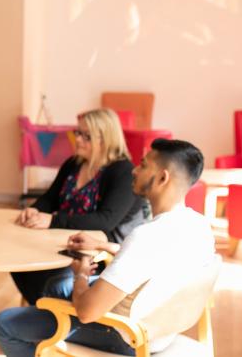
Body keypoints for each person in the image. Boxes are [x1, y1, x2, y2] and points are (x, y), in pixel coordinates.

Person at [0, 139, 215, 356]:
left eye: (144, 165)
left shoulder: (145, 238)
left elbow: (87, 311)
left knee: (5, 323)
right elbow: (159, 259)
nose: (134, 170)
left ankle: (47, 335)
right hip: (163, 328)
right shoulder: (198, 225)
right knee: (55, 287)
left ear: (162, 178)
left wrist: (80, 275)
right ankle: (48, 328)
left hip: (127, 336)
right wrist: (103, 245)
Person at [12, 108, 147, 303]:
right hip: (66, 240)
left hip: (99, 254)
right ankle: (47, 314)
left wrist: (53, 220)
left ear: (106, 138)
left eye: (87, 136)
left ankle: (52, 316)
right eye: (78, 133)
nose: (78, 140)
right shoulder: (74, 163)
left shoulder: (123, 172)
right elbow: (51, 197)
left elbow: (106, 220)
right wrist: (36, 208)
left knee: (39, 275)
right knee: (19, 262)